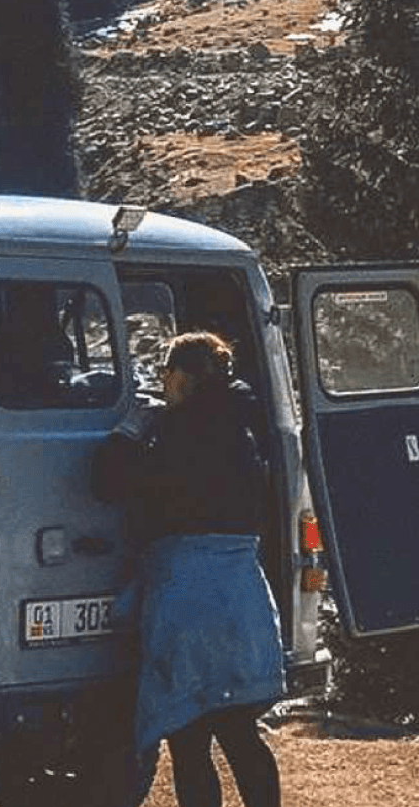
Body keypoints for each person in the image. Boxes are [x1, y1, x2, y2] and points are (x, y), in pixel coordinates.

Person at [92, 331, 282, 807]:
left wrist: (132, 428)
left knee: (189, 737)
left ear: (185, 375)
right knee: (241, 732)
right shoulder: (245, 425)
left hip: (186, 594)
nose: (162, 382)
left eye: (167, 372)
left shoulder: (173, 431)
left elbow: (108, 481)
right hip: (241, 592)